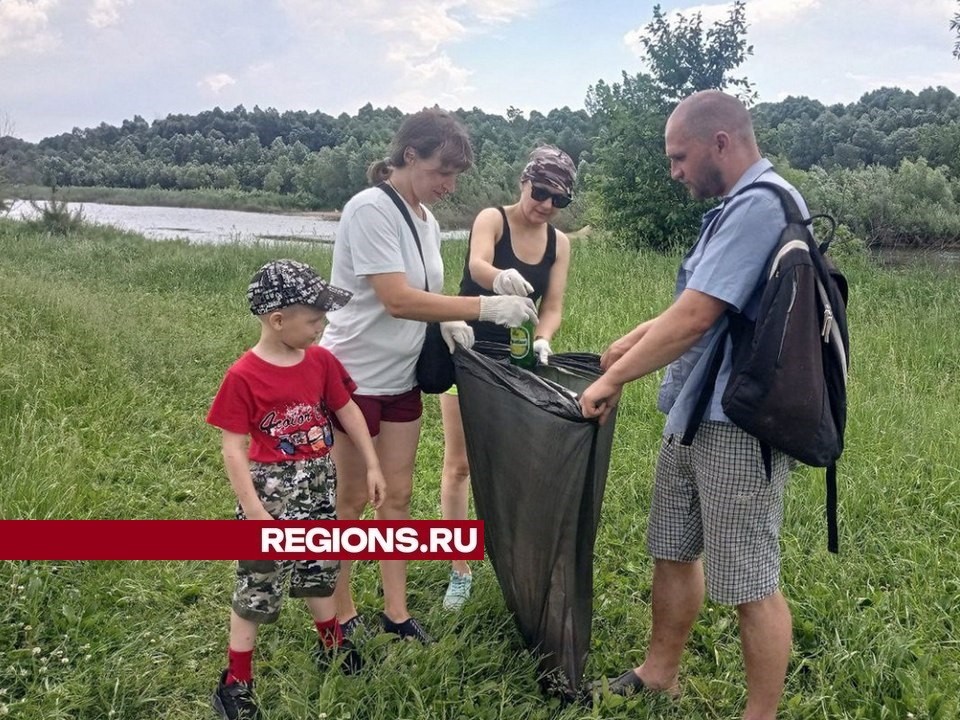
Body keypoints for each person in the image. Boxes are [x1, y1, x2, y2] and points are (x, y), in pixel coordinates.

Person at [579, 90, 803, 720]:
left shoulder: (761, 206)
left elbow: (698, 318)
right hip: (694, 412)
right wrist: (634, 338)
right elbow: (698, 303)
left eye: (680, 157)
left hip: (738, 421)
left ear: (721, 143)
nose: (674, 171)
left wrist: (612, 378)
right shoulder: (737, 207)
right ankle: (659, 674)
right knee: (673, 546)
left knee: (750, 582)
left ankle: (760, 715)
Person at [319, 108, 538, 644]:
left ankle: (395, 614)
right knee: (349, 504)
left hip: (401, 378)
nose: (449, 184)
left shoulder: (426, 220)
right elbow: (395, 299)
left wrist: (448, 327)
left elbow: (424, 298)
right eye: (442, 171)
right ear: (408, 156)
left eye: (456, 174)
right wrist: (482, 310)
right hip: (353, 379)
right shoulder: (370, 210)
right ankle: (340, 623)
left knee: (396, 498)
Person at [206, 259, 386, 720]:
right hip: (269, 496)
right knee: (257, 587)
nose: (321, 328)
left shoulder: (322, 362)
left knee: (317, 570)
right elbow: (233, 448)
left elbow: (347, 412)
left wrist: (370, 464)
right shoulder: (243, 375)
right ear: (278, 320)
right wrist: (254, 510)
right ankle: (236, 683)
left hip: (318, 487)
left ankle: (332, 646)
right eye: (314, 319)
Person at [438, 145, 576, 610]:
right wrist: (499, 279)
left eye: (560, 201)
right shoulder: (492, 218)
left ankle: (515, 560)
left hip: (517, 357)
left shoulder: (560, 243)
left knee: (517, 463)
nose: (546, 206)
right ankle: (460, 570)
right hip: (468, 345)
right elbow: (477, 264)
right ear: (524, 183)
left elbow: (552, 304)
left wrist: (543, 337)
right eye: (541, 193)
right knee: (460, 465)